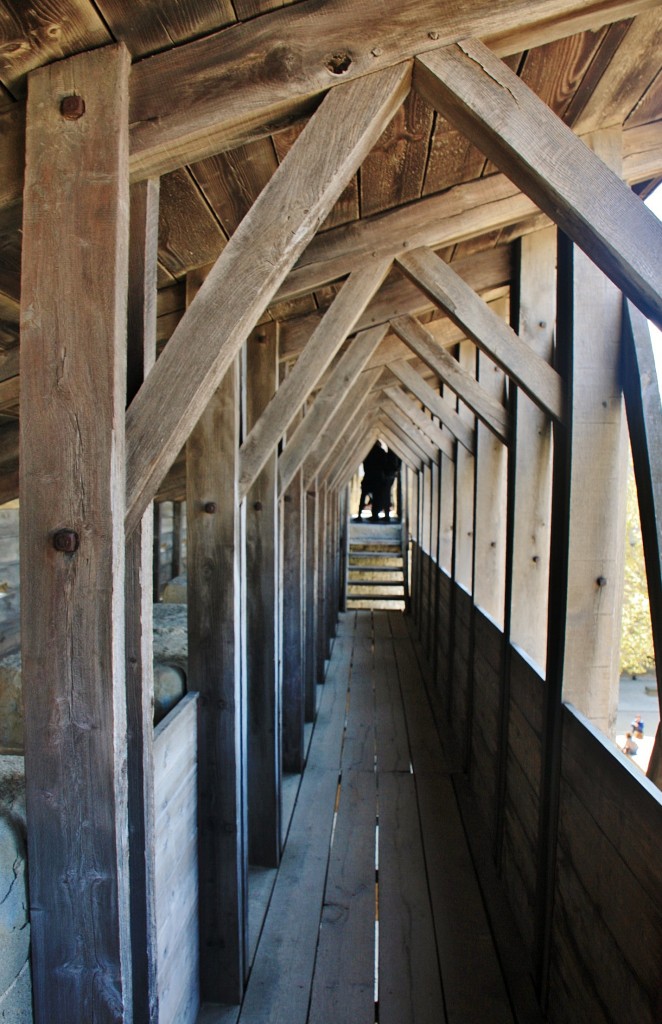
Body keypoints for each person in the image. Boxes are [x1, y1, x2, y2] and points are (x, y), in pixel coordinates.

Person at [356, 442, 386, 519]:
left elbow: (364, 462)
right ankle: (375, 515)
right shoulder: (381, 452)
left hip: (368, 476)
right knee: (376, 497)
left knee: (363, 495)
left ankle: (359, 514)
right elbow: (384, 464)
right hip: (378, 477)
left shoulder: (368, 451)